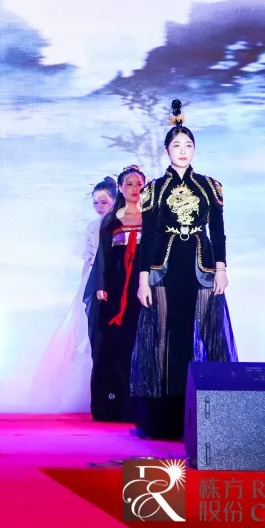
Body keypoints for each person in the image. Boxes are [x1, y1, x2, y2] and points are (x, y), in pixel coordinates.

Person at [132, 100, 238, 440]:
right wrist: (143, 279)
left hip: (200, 263)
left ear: (194, 150)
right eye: (176, 145)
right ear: (166, 150)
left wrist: (221, 268)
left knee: (209, 335)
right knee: (166, 337)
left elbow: (218, 231)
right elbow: (148, 237)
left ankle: (214, 413)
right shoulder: (154, 189)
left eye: (188, 145)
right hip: (164, 266)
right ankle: (166, 417)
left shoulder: (209, 186)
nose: (182, 150)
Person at [28, 176, 116, 412]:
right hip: (93, 282)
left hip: (116, 280)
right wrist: (84, 288)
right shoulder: (93, 226)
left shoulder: (121, 224)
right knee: (86, 335)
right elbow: (87, 261)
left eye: (104, 202)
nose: (99, 207)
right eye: (96, 203)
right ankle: (84, 393)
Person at [86, 166, 145, 421]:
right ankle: (112, 404)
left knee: (140, 342)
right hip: (117, 288)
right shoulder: (112, 219)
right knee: (115, 342)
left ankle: (142, 405)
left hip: (144, 287)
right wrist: (101, 285)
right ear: (120, 188)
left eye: (139, 183)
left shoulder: (152, 217)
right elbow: (103, 255)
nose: (134, 188)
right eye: (129, 184)